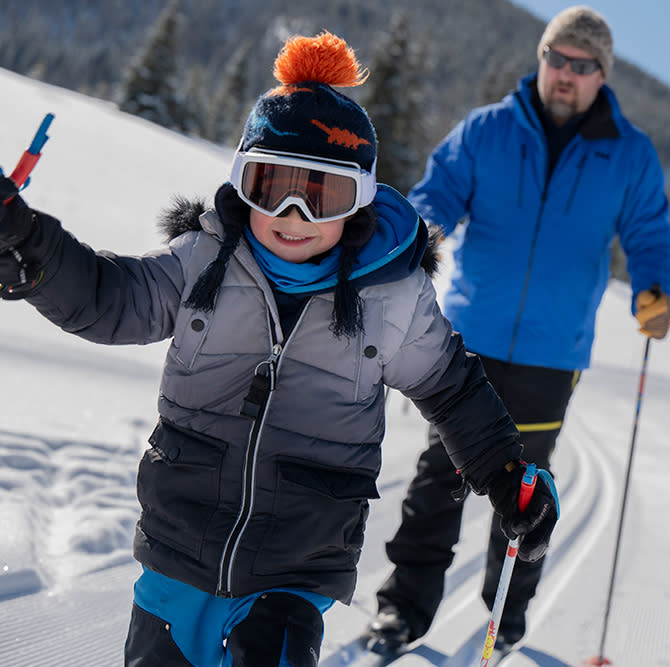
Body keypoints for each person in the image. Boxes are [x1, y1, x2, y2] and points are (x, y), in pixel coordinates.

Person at [0, 32, 559, 667]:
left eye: (323, 196)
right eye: (271, 187)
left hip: (299, 558)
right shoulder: (203, 261)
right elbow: (110, 299)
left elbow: (451, 389)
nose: (294, 215)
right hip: (180, 538)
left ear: (359, 203)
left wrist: (504, 472)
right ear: (243, 183)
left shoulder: (392, 299)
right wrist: (28, 249)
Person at [368, 4, 670, 655]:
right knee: (441, 474)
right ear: (541, 59)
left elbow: (649, 233)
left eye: (582, 65)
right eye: (557, 59)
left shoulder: (629, 155)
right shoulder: (487, 131)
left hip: (551, 353)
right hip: (468, 340)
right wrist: (414, 239)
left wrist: (653, 290)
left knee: (528, 486)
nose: (566, 73)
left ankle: (506, 615)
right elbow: (437, 195)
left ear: (602, 75)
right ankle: (402, 608)